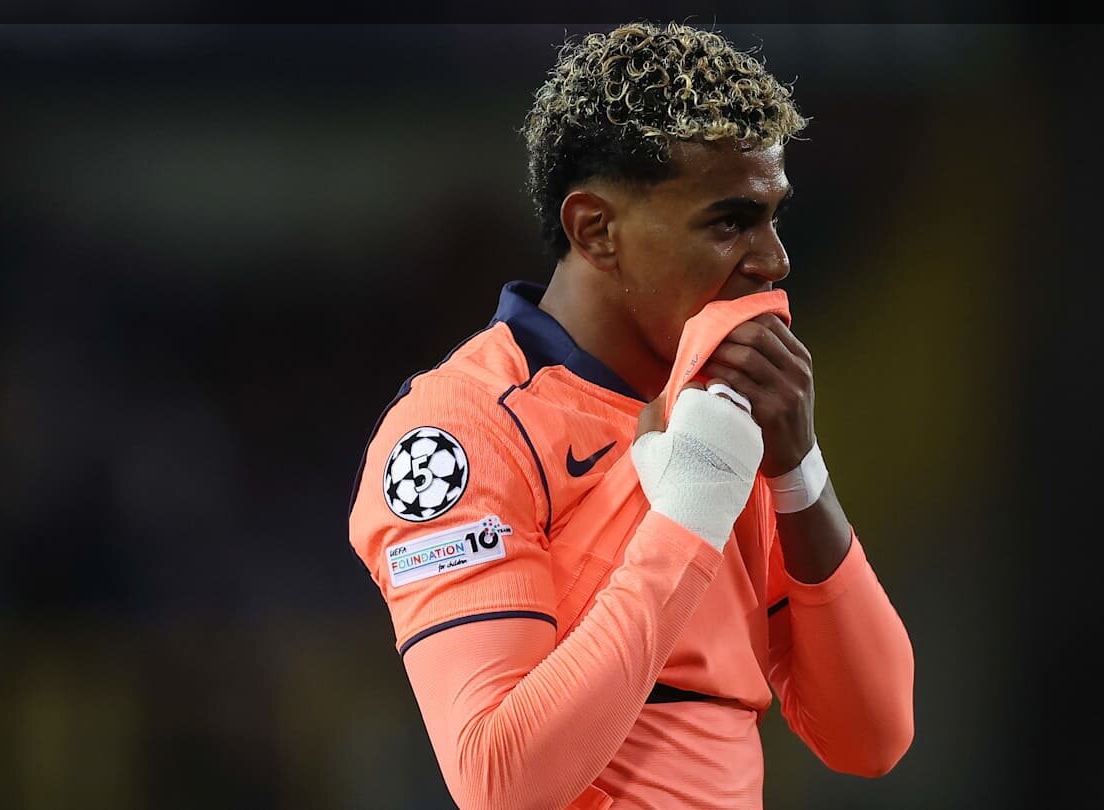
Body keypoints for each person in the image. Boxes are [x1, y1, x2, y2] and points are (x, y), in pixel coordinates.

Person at [348, 21, 915, 810]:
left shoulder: (723, 414)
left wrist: (797, 469)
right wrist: (689, 511)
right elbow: (500, 780)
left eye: (773, 216)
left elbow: (872, 735)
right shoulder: (462, 432)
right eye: (730, 221)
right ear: (596, 229)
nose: (774, 260)